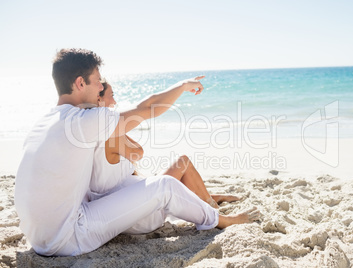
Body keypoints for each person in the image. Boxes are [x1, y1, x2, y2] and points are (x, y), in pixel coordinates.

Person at [14, 48, 260, 257]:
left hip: (39, 239)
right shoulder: (82, 121)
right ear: (80, 83)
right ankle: (221, 221)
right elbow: (148, 108)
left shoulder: (45, 122)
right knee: (164, 186)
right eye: (97, 80)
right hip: (68, 238)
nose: (101, 86)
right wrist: (183, 86)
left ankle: (203, 202)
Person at [89, 81, 240, 211]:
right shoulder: (109, 135)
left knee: (173, 177)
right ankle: (212, 206)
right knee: (183, 163)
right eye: (112, 95)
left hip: (123, 199)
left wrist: (117, 127)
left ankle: (208, 196)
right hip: (136, 208)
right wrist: (118, 128)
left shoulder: (88, 130)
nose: (115, 102)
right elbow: (138, 153)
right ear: (99, 99)